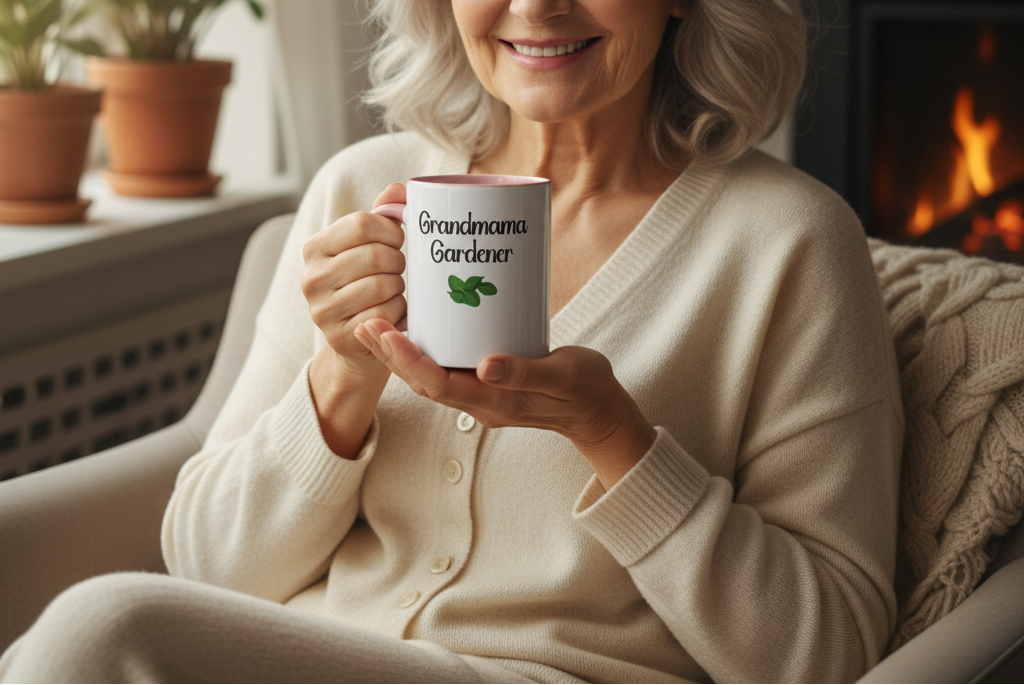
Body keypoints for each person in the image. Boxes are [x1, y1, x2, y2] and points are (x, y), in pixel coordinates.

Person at [0, 0, 904, 682]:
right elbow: (209, 564)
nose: (537, 5)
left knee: (102, 631)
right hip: (314, 653)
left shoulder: (789, 240)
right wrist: (342, 374)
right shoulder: (365, 186)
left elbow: (833, 649)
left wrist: (616, 440)